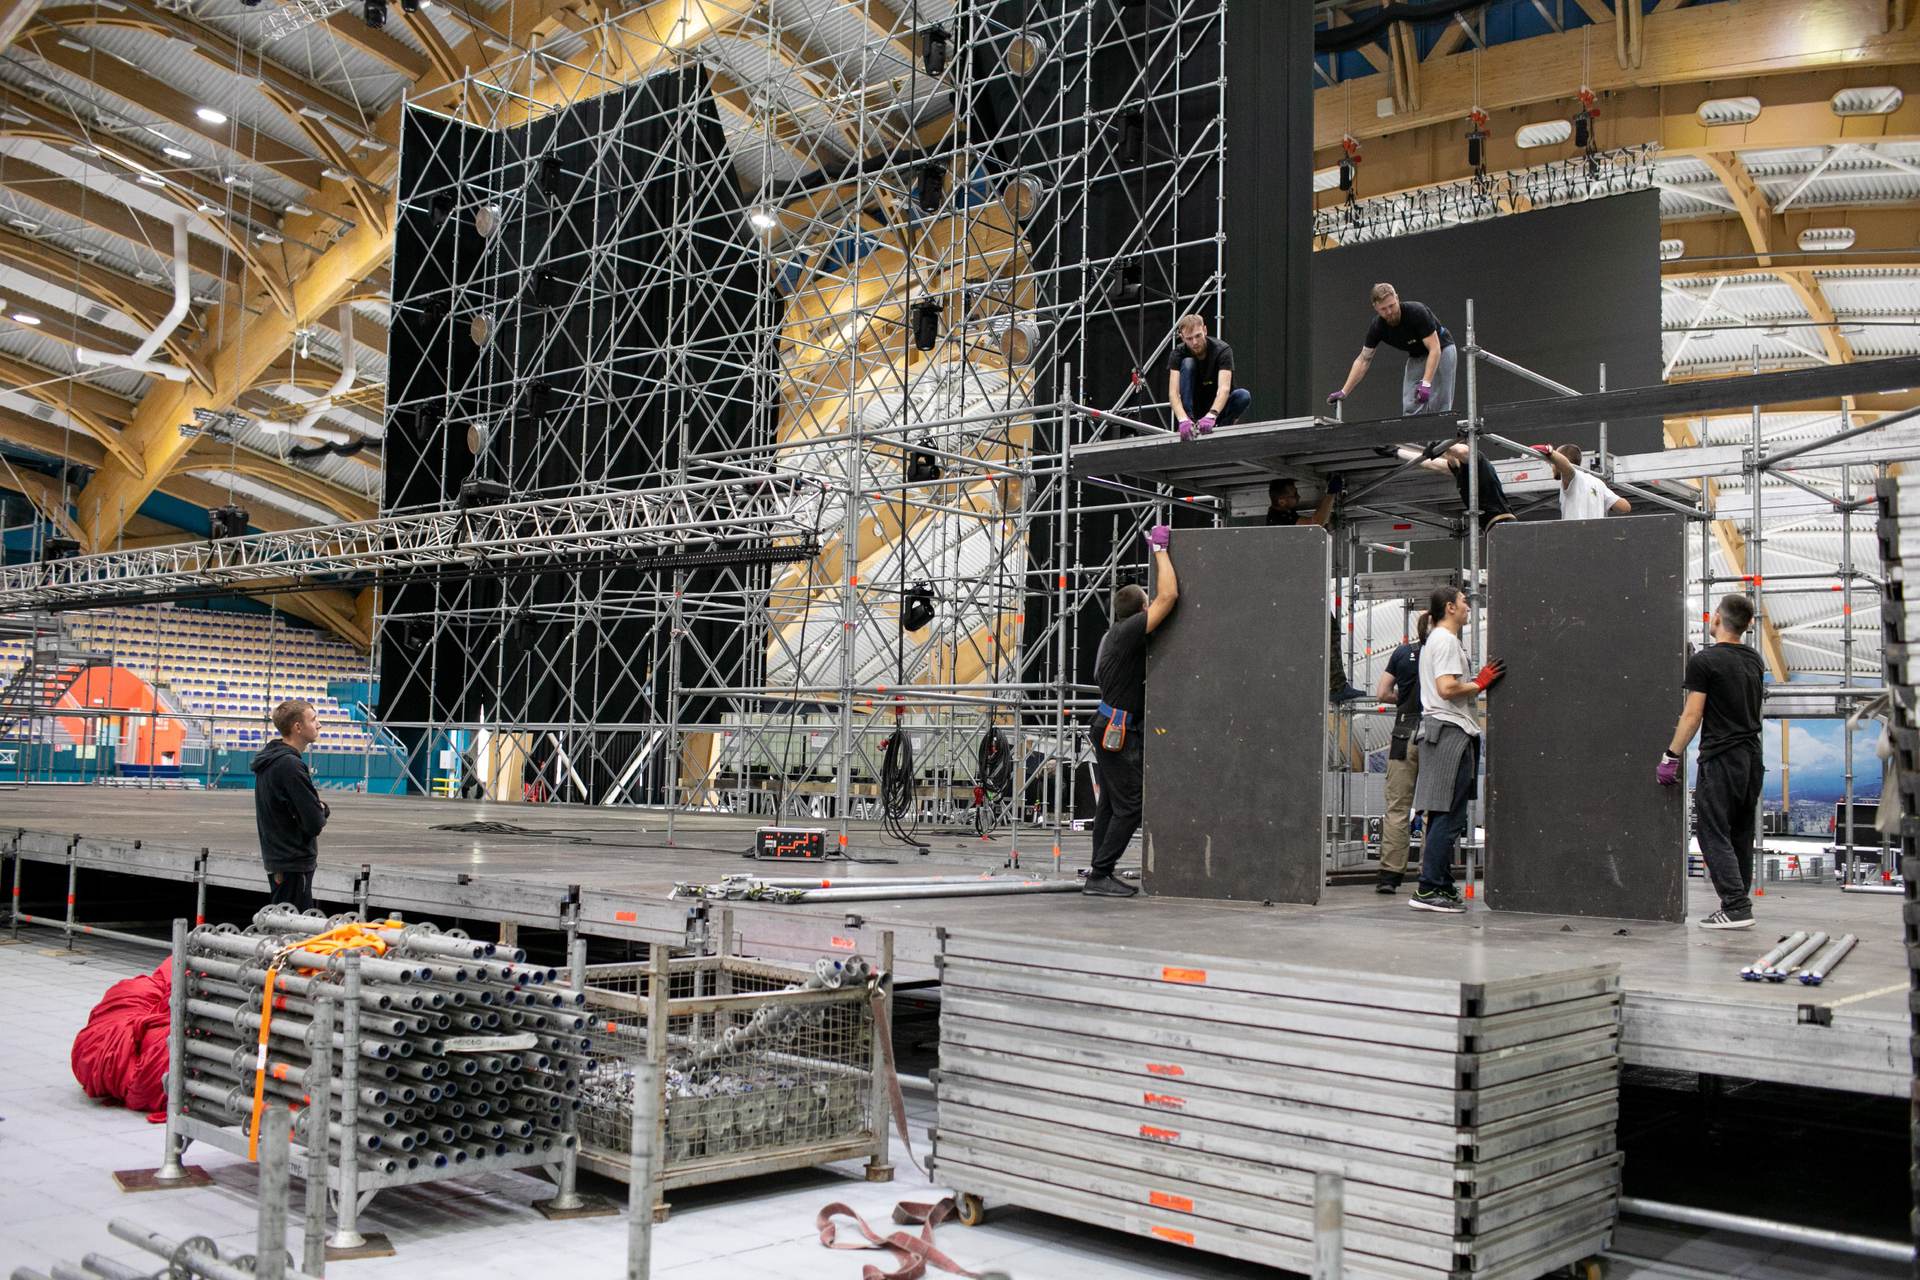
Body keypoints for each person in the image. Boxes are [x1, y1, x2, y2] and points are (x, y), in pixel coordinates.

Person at [1657, 594, 1765, 929]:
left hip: (1722, 759)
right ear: (1748, 625)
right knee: (1740, 833)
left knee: (1712, 832)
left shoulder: (1705, 662)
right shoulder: (1754, 659)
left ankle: (1735, 906)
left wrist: (1671, 756)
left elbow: (1692, 715)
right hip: (1752, 758)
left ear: (1716, 617)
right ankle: (1738, 905)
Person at [1086, 524, 1179, 897]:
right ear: (1142, 609)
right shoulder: (1128, 633)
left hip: (1109, 725)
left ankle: (1099, 872)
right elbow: (1169, 596)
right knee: (1131, 806)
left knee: (1111, 805)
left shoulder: (1113, 636)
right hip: (1118, 732)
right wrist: (1159, 550)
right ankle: (1099, 875)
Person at [1410, 586, 1504, 913]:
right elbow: (1447, 687)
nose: (1468, 606)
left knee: (1445, 813)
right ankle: (1428, 888)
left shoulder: (1436, 640)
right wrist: (1479, 683)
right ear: (1450, 607)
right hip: (1449, 732)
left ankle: (1440, 883)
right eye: (1464, 602)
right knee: (1448, 815)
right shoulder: (1445, 640)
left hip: (1443, 732)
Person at [1267, 477, 1366, 702]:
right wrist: (1330, 494)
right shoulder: (1279, 518)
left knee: (1322, 633)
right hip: (1294, 589)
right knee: (1327, 632)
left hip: (1292, 588)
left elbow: (1315, 527)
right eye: (1294, 494)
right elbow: (1317, 522)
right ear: (1281, 501)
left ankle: (1329, 685)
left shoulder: (1282, 516)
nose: (1299, 497)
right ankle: (1335, 687)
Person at [1327, 284, 1457, 416]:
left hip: (1441, 348)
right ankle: (1414, 429)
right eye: (1383, 309)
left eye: (1392, 305)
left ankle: (1441, 425)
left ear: (1397, 299)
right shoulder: (1378, 327)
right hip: (1417, 355)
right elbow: (1363, 359)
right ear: (1375, 308)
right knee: (1411, 404)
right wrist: (1344, 391)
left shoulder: (1417, 312)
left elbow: (1434, 349)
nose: (1389, 312)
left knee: (1439, 403)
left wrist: (1427, 383)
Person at [1372, 613, 1432, 893]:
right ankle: (1429, 874)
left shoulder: (1402, 653)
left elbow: (1382, 693)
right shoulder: (1449, 653)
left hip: (1403, 733)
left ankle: (1390, 876)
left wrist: (1403, 699)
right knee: (1433, 808)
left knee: (1397, 808)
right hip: (1434, 734)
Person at [253, 698, 330, 913]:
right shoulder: (290, 765)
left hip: (280, 859)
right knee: (294, 924)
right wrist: (322, 810)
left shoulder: (272, 760)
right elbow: (314, 822)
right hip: (293, 861)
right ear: (298, 727)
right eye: (313, 719)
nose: (318, 725)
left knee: (284, 920)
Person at [1384, 441, 1516, 532]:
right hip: (1494, 526)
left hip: (1502, 522)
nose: (1446, 458)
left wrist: (1443, 446)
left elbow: (1463, 450)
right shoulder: (1460, 470)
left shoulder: (1477, 462)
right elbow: (1431, 464)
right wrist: (1397, 452)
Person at [1166, 314, 1251, 441]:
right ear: (1182, 338)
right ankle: (1190, 421)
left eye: (1198, 336)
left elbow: (1224, 389)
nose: (1195, 342)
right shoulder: (1178, 354)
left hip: (1218, 407)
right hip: (1196, 405)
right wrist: (1183, 419)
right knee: (1188, 363)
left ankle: (1223, 427)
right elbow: (1173, 393)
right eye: (1189, 338)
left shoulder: (1222, 350)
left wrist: (1212, 415)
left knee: (1243, 396)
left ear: (1205, 330)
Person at [1540, 443, 1630, 520]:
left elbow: (1566, 467)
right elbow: (1625, 507)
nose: (1552, 466)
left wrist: (1548, 451)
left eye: (1552, 463)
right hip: (1596, 532)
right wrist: (1602, 502)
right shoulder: (1598, 483)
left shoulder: (1573, 477)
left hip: (1575, 532)